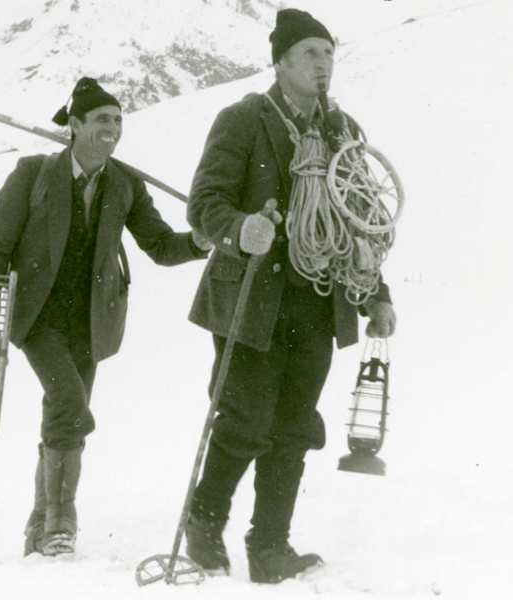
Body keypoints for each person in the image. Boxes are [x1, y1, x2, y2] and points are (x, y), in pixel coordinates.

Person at [184, 9, 397, 584]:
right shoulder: (244, 119)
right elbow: (203, 204)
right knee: (247, 418)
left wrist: (375, 294)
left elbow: (361, 222)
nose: (323, 63)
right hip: (253, 296)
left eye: (329, 53)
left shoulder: (342, 129)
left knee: (295, 424)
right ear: (280, 62)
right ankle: (204, 522)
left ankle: (270, 545)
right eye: (310, 53)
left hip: (316, 300)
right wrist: (240, 227)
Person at [0, 77, 212, 557]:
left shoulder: (125, 184)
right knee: (70, 404)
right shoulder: (33, 174)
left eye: (118, 120)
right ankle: (62, 520)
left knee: (62, 413)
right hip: (38, 318)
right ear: (75, 126)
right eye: (103, 119)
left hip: (91, 321)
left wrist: (200, 241)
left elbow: (161, 245)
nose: (113, 128)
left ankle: (39, 521)